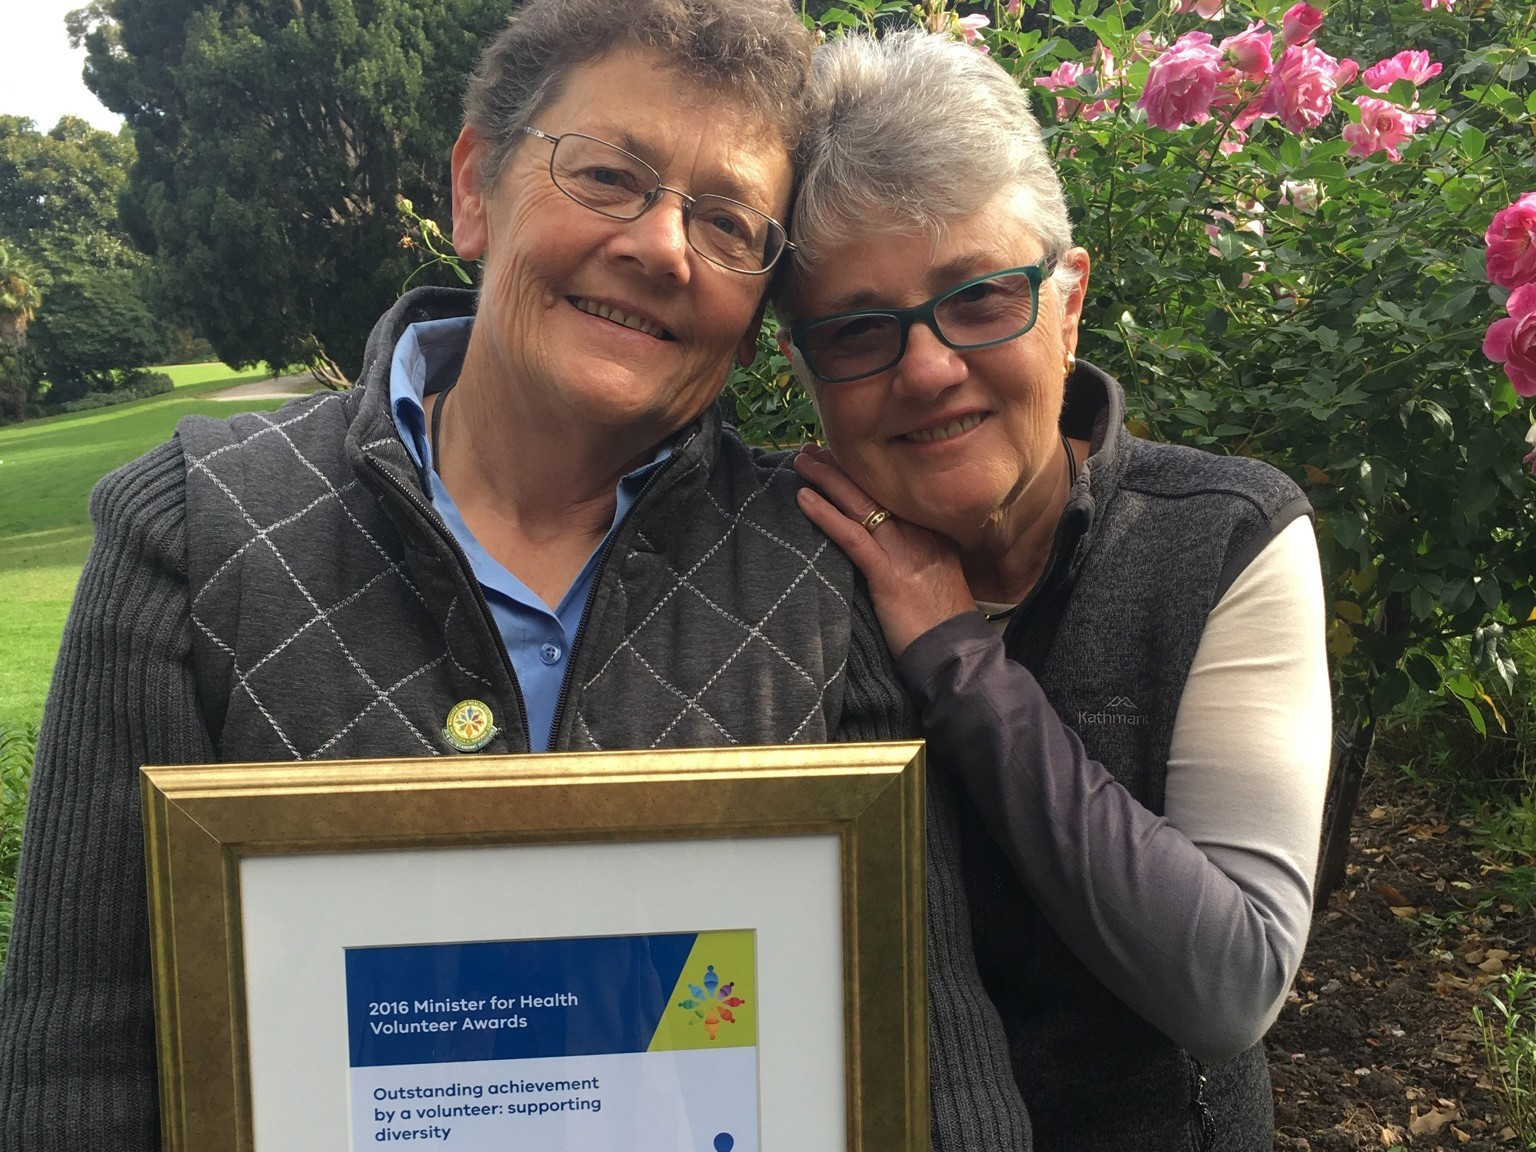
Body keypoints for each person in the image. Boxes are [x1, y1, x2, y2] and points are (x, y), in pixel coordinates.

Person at [0, 4, 1036, 1149]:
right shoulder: (192, 535)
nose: (662, 246)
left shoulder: (817, 570)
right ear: (474, 189)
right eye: (607, 175)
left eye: (731, 221)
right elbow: (76, 1063)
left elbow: (928, 1050)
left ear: (757, 313)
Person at [782, 29, 1331, 1152]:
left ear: (1068, 299)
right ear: (806, 366)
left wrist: (955, 654)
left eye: (979, 297)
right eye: (858, 329)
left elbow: (1231, 984)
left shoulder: (1223, 540)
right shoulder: (782, 558)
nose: (928, 366)